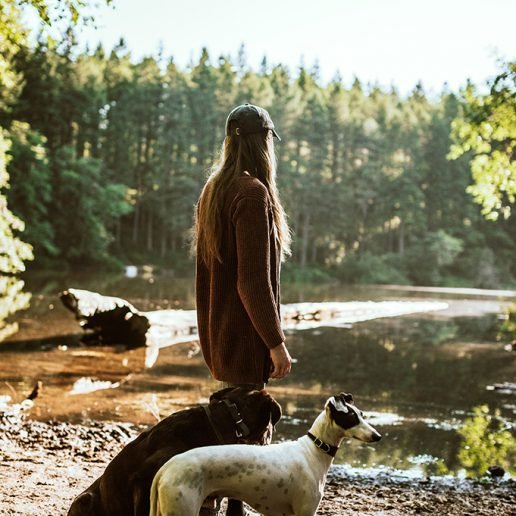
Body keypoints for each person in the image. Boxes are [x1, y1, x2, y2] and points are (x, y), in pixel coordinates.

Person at [194, 103, 292, 391]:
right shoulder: (251, 193)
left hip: (222, 344)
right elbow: (252, 282)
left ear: (230, 142)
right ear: (263, 144)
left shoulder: (213, 190)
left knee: (227, 432)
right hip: (244, 347)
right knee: (248, 434)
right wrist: (276, 344)